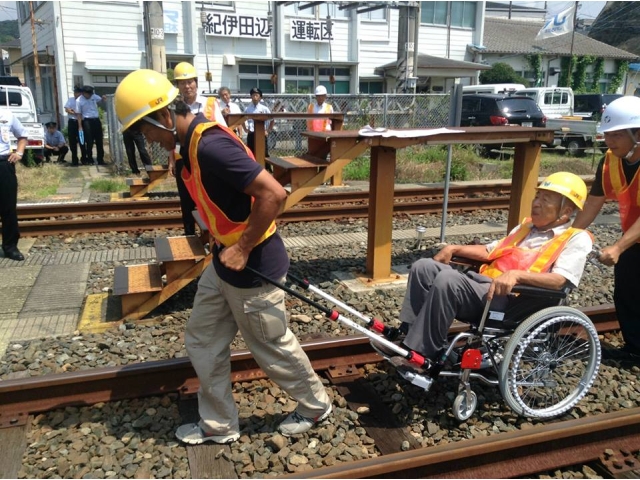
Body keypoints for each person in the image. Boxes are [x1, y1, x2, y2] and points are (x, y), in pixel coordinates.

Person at [114, 69, 332, 444]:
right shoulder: (188, 146)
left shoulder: (211, 146)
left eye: (144, 131)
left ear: (165, 117)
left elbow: (273, 194)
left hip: (253, 266)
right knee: (202, 338)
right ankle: (219, 425)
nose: (146, 139)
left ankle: (315, 405)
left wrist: (243, 247)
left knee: (271, 348)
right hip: (223, 263)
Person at [399, 172, 592, 365]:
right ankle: (408, 337)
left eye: (546, 199)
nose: (536, 203)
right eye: (537, 197)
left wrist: (516, 276)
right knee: (423, 267)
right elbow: (490, 250)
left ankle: (423, 354)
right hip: (483, 285)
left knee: (448, 280)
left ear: (565, 212)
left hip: (511, 300)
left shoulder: (575, 238)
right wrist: (454, 248)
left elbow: (560, 280)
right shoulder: (525, 228)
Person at [573, 95, 640, 362]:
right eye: (607, 135)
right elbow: (593, 202)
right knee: (626, 289)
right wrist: (569, 235)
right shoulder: (610, 160)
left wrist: (619, 246)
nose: (609, 141)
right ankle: (635, 349)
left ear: (637, 133)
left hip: (632, 237)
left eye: (616, 135)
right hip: (634, 237)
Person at [168, 62, 227, 236]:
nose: (187, 86)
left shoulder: (210, 103)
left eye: (190, 82)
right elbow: (172, 136)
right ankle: (189, 234)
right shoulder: (175, 107)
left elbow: (222, 129)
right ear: (177, 86)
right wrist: (171, 159)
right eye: (182, 83)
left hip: (204, 158)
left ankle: (212, 235)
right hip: (183, 159)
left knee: (209, 198)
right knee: (186, 200)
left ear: (196, 83)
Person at [0, 108, 28, 261]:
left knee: (8, 207)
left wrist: (19, 153)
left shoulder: (6, 115)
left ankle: (10, 246)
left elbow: (22, 135)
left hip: (3, 163)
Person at [77, 85, 106, 165]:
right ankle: (90, 159)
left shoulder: (94, 96)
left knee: (99, 141)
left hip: (96, 120)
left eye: (90, 94)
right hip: (87, 121)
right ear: (83, 93)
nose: (89, 95)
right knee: (89, 142)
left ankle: (100, 159)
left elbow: (100, 101)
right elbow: (79, 114)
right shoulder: (79, 101)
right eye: (88, 94)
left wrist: (103, 99)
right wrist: (80, 126)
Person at [244, 87, 273, 159]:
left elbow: (272, 119)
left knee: (264, 152)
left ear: (260, 97)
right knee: (251, 152)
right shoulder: (247, 109)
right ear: (251, 97)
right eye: (253, 95)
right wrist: (245, 129)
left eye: (257, 95)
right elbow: (242, 119)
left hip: (261, 133)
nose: (255, 97)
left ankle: (267, 168)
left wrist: (268, 130)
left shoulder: (264, 108)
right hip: (251, 133)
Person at [63, 86, 84, 166]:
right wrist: (72, 112)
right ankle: (74, 159)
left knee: (81, 140)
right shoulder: (71, 99)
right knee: (72, 141)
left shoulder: (82, 100)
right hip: (72, 121)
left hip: (81, 121)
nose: (76, 94)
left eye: (77, 93)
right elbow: (66, 109)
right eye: (75, 93)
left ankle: (83, 158)